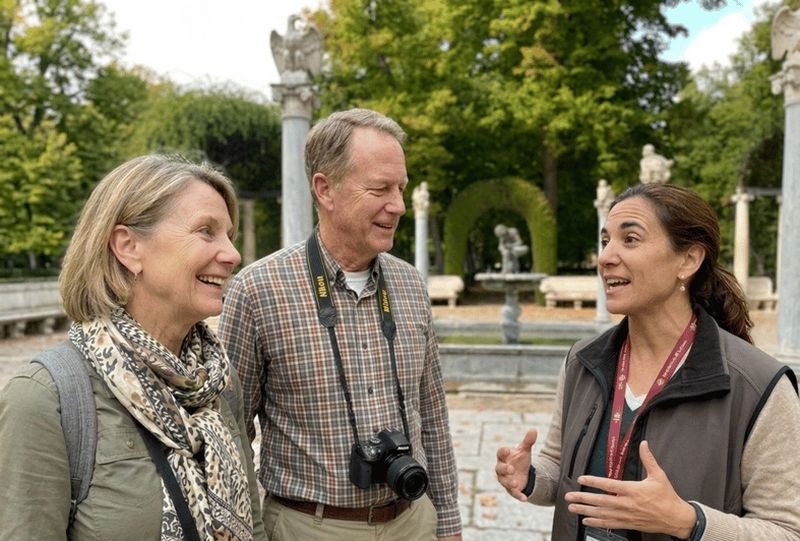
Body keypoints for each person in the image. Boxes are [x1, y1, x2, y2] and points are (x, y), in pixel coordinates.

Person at [496, 183, 800, 540]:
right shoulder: (583, 361)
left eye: (630, 239)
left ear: (688, 260)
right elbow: (560, 467)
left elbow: (786, 530)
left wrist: (687, 521)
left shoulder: (758, 386)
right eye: (605, 241)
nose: (606, 257)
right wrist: (529, 477)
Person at [218, 108, 462, 541]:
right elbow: (231, 431)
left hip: (414, 522)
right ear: (325, 189)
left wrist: (448, 524)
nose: (399, 206)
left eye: (401, 188)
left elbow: (433, 416)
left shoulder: (410, 284)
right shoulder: (258, 290)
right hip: (307, 528)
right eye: (380, 189)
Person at [0, 155, 267, 540]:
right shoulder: (45, 398)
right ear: (128, 247)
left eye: (229, 235)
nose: (233, 255)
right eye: (206, 231)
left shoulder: (217, 382)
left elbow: (253, 528)